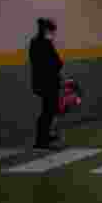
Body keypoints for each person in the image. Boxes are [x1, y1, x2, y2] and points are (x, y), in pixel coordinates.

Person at [29, 18, 64, 150]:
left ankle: (43, 137)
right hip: (49, 83)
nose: (53, 34)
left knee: (47, 111)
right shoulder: (46, 44)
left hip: (40, 82)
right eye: (52, 31)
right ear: (46, 30)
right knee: (48, 111)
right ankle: (42, 140)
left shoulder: (34, 43)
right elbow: (58, 62)